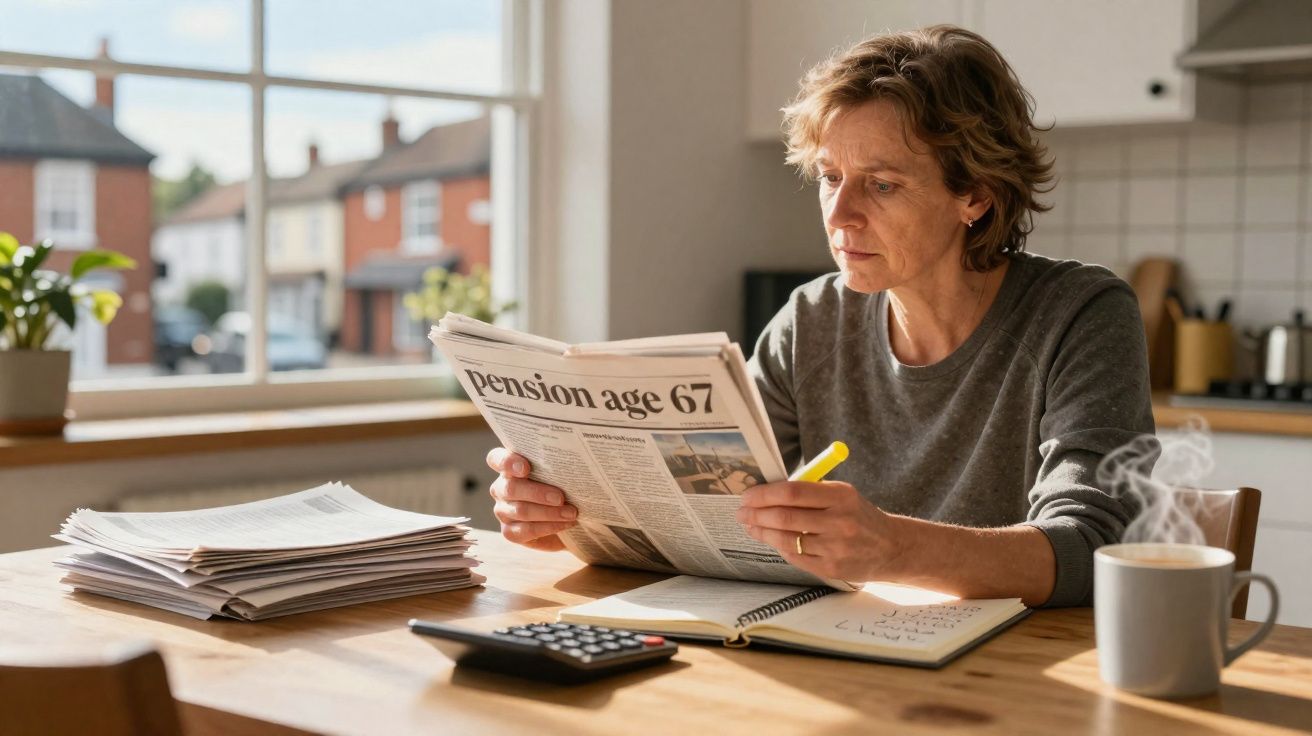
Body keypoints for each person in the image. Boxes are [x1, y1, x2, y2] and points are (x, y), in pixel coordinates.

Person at [485, 25, 1154, 607]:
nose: (838, 216)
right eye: (831, 177)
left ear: (974, 196)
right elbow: (709, 516)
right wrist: (571, 521)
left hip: (1023, 681)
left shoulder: (1082, 315)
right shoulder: (810, 319)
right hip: (853, 653)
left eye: (882, 184)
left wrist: (892, 546)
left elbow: (1093, 546)